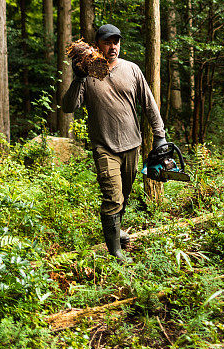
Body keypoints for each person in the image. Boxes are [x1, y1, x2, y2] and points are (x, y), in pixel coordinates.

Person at [62, 23, 168, 262]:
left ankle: (115, 230)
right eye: (108, 42)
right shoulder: (87, 74)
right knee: (113, 198)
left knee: (124, 196)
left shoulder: (132, 70)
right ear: (98, 44)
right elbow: (69, 107)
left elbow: (149, 104)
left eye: (116, 42)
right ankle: (116, 253)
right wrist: (78, 78)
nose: (113, 47)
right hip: (104, 147)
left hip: (132, 145)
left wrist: (159, 135)